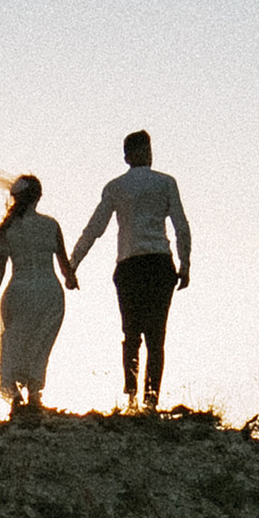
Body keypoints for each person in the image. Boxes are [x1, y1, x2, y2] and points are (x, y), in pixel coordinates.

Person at [72, 130, 191, 407]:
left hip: (130, 264)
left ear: (127, 156)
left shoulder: (116, 187)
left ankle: (132, 396)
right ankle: (149, 400)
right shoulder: (165, 183)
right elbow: (181, 227)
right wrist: (184, 264)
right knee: (156, 336)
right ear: (140, 153)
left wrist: (74, 262)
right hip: (159, 263)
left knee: (131, 333)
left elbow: (94, 229)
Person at [0, 173, 77, 418]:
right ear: (38, 196)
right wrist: (71, 279)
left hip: (18, 291)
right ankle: (35, 395)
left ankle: (17, 397)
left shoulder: (7, 229)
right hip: (48, 291)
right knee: (40, 344)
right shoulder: (51, 225)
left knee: (14, 343)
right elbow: (65, 267)